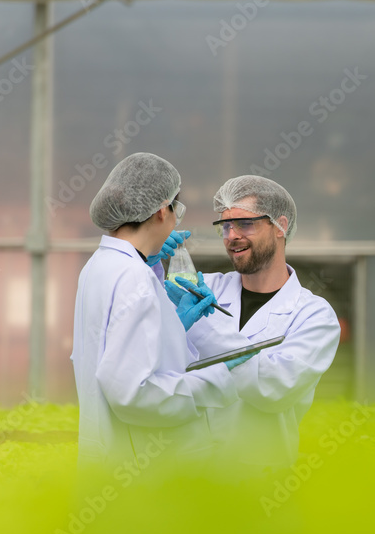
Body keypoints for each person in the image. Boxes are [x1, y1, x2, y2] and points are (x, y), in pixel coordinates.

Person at [71, 153, 249, 468]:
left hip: (112, 457)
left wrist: (173, 326)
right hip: (145, 469)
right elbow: (132, 393)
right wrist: (218, 378)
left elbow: (116, 349)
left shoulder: (99, 266)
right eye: (176, 211)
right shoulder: (133, 277)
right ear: (162, 210)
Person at [162, 175, 341, 474]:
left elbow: (272, 389)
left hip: (260, 480)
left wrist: (204, 324)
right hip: (186, 474)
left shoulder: (314, 315)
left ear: (280, 226)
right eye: (226, 227)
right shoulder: (206, 288)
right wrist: (149, 261)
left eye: (245, 224)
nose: (232, 235)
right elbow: (145, 336)